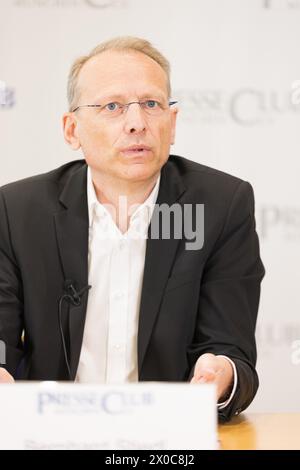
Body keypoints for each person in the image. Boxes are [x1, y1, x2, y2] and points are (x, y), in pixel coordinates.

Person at [0, 37, 264, 421]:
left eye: (152, 104)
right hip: (51, 432)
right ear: (72, 129)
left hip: (168, 436)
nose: (137, 123)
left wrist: (219, 373)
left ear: (171, 125)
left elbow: (231, 352)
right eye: (112, 106)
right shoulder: (16, 211)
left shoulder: (221, 206)